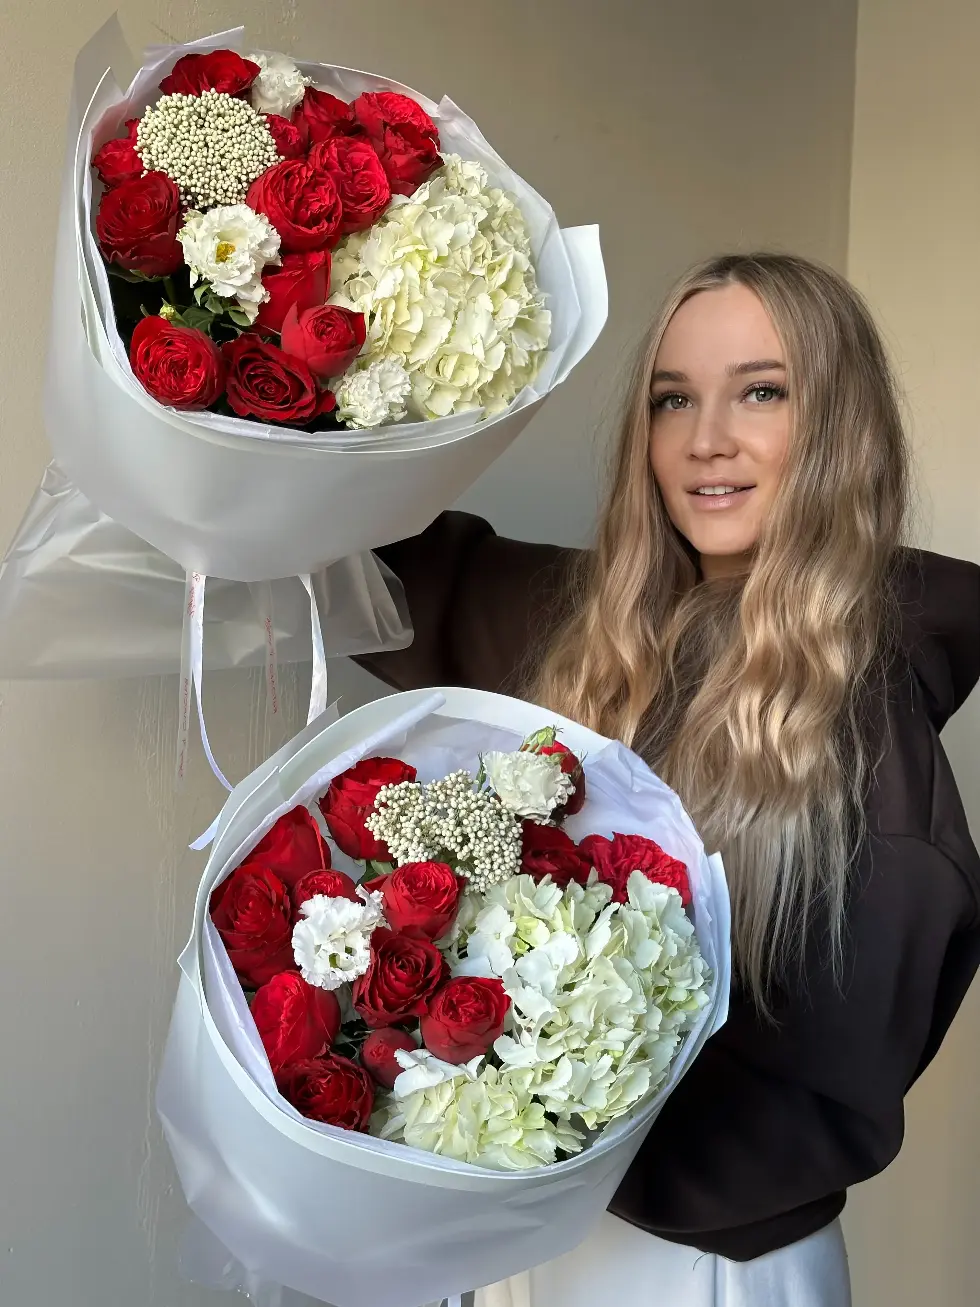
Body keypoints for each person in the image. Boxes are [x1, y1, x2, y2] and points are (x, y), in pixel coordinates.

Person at [357, 253, 980, 1307]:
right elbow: (371, 571)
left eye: (761, 392)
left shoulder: (868, 720)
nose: (705, 440)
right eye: (671, 399)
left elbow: (825, 1096)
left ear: (841, 427)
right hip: (525, 1239)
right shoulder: (595, 624)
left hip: (699, 1266)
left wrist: (540, 1123)